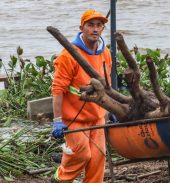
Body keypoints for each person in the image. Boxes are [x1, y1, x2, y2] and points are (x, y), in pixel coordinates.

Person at [51, 9, 112, 183]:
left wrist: (112, 109)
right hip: (74, 117)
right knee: (82, 153)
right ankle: (60, 178)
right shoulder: (68, 55)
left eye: (99, 25)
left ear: (102, 29)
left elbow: (107, 85)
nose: (95, 29)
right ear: (81, 28)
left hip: (97, 116)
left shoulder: (105, 53)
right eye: (90, 25)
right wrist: (57, 120)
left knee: (98, 158)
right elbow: (57, 89)